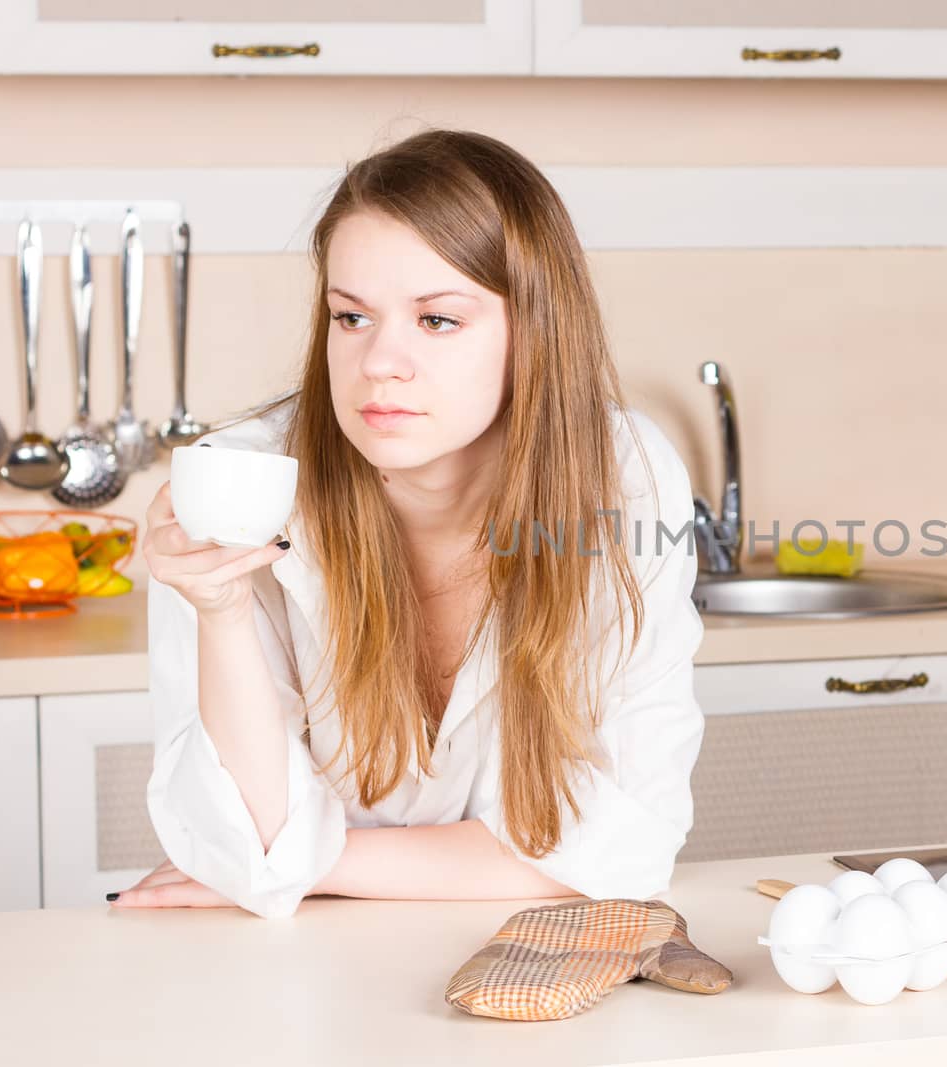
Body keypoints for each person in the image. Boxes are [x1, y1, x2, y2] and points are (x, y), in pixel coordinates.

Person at [111, 129, 706, 919]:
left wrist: (320, 864)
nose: (379, 362)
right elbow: (250, 842)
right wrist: (220, 612)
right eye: (352, 318)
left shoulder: (624, 479)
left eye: (436, 321)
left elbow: (631, 840)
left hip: (519, 961)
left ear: (534, 330)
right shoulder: (238, 488)